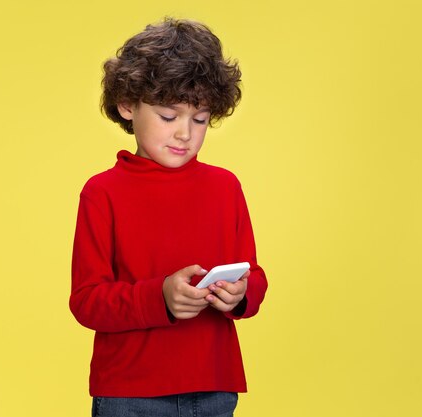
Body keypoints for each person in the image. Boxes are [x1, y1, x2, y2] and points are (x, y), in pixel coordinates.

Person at [70, 17, 268, 417]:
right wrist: (159, 296)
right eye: (168, 117)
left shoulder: (225, 187)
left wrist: (240, 294)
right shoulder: (102, 192)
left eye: (199, 120)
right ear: (128, 105)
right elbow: (86, 301)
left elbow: (254, 275)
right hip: (129, 392)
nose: (185, 134)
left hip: (214, 386)